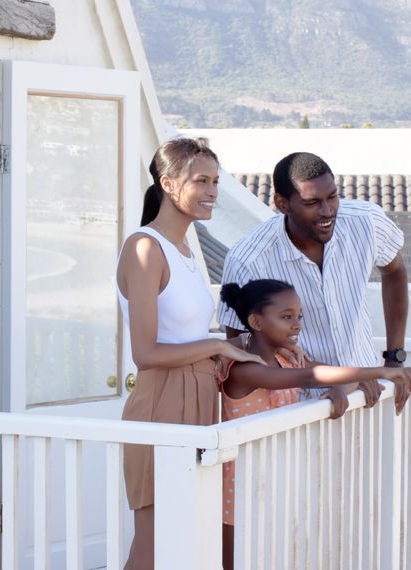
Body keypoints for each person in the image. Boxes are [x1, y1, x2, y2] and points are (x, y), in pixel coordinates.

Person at [116, 138, 264, 570]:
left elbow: (188, 333)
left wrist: (243, 348)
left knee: (187, 539)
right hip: (161, 400)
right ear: (168, 183)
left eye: (216, 181)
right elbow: (145, 352)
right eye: (202, 180)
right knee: (155, 545)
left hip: (200, 397)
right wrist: (219, 345)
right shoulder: (145, 248)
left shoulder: (185, 251)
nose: (213, 191)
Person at [215, 279, 411, 569]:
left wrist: (345, 387)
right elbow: (312, 377)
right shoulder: (245, 370)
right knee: (235, 561)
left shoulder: (286, 360)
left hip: (278, 480)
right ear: (256, 321)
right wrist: (383, 371)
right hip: (239, 485)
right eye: (286, 317)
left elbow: (329, 373)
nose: (297, 324)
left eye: (298, 316)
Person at [218, 151, 411, 413]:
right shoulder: (248, 259)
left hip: (371, 394)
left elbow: (394, 271)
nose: (328, 211)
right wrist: (352, 378)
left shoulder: (367, 223)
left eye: (333, 196)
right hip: (297, 412)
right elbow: (243, 344)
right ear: (282, 203)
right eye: (312, 202)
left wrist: (394, 358)